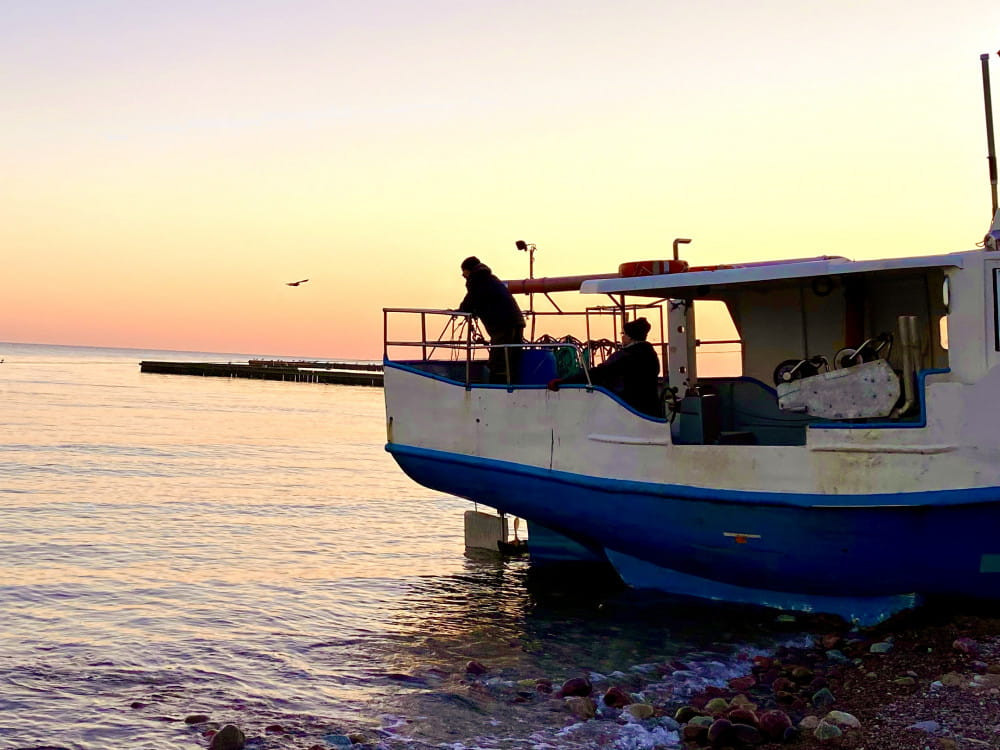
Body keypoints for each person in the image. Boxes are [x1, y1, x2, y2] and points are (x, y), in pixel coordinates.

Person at [547, 317, 661, 417]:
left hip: (630, 408)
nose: (622, 337)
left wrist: (565, 381)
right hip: (651, 407)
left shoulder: (627, 356)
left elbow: (599, 373)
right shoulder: (650, 355)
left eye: (624, 334)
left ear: (630, 337)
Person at [458, 256, 526, 384]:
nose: (462, 275)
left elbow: (471, 299)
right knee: (512, 356)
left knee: (499, 357)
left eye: (464, 271)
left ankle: (498, 385)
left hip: (502, 323)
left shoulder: (476, 279)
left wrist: (461, 310)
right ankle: (514, 383)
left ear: (468, 270)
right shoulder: (489, 278)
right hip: (515, 320)